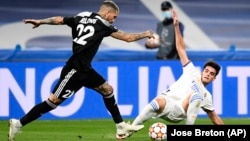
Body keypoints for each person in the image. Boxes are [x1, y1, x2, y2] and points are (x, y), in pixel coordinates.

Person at [8, 1, 154, 141]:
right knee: (52, 101)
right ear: (107, 12)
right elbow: (127, 38)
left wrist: (40, 21)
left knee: (107, 89)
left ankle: (120, 126)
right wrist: (145, 33)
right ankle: (18, 124)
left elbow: (59, 20)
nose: (114, 20)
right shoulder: (104, 25)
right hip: (74, 70)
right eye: (114, 16)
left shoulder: (81, 17)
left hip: (85, 69)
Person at [131, 9, 224, 134]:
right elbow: (180, 49)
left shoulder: (207, 96)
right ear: (202, 71)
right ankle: (130, 129)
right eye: (206, 71)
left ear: (214, 78)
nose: (208, 74)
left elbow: (214, 118)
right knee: (158, 100)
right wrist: (176, 27)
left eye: (212, 74)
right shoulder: (192, 71)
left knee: (197, 96)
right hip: (168, 103)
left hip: (180, 111)